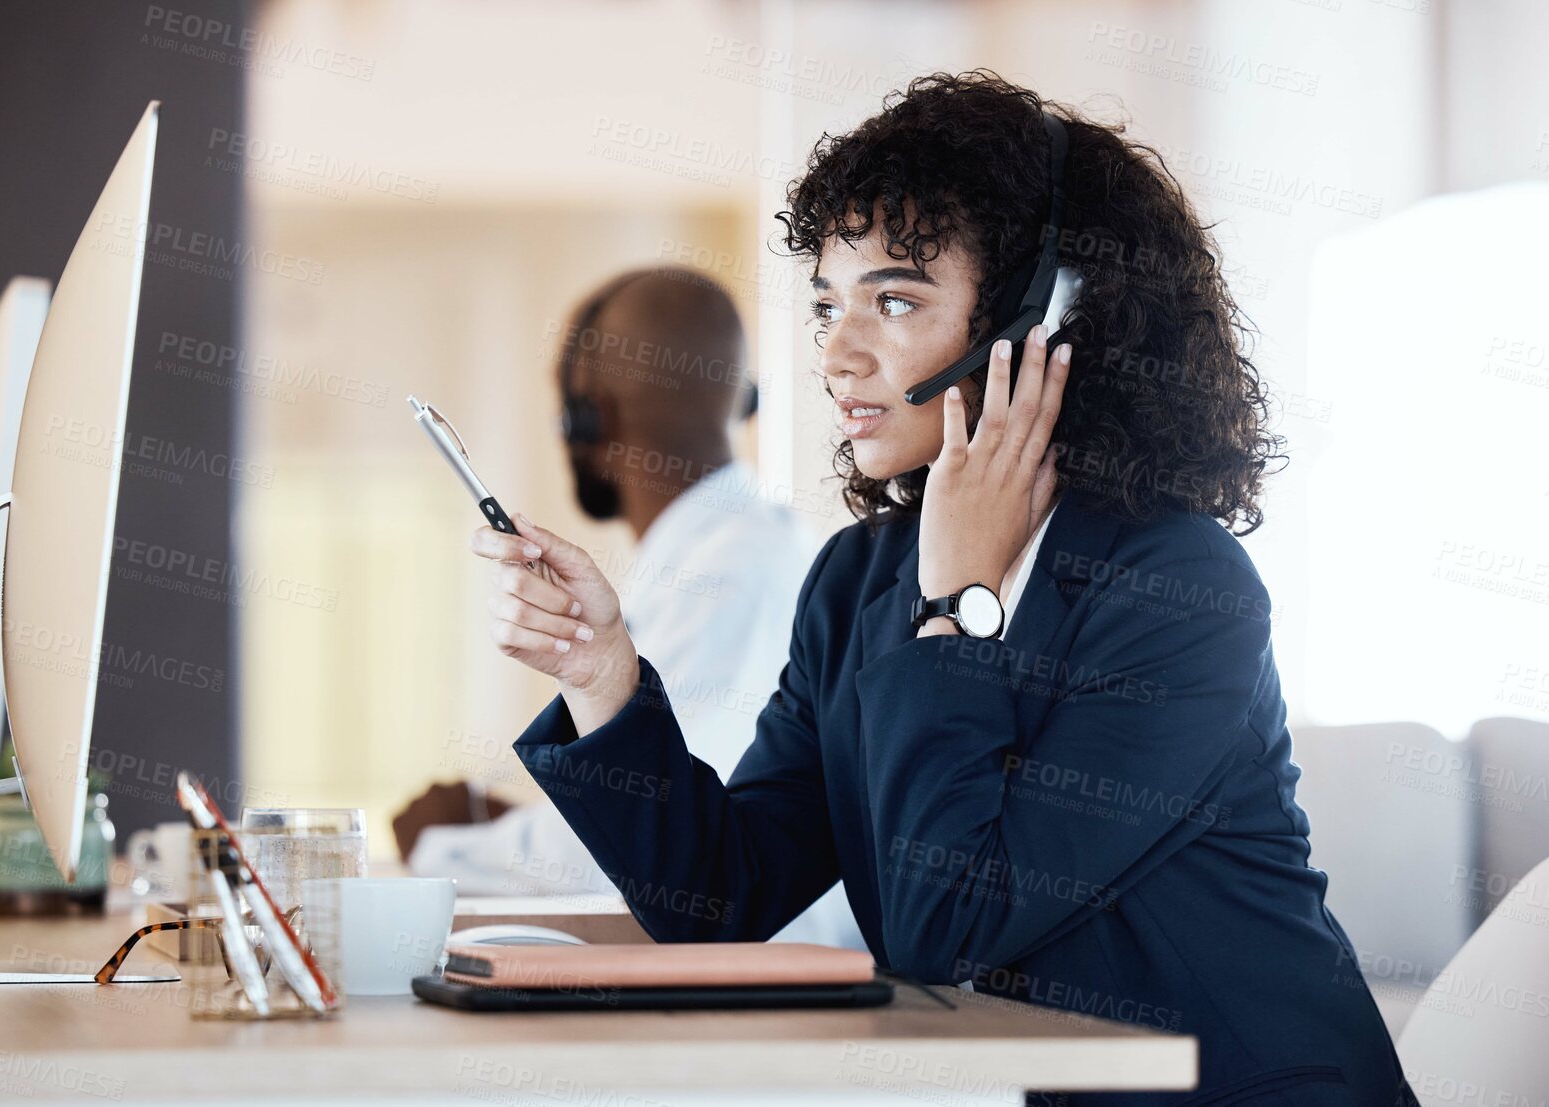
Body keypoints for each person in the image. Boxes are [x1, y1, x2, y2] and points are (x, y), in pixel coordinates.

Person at [468, 73, 1415, 1105]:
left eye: (895, 300)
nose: (837, 353)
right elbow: (718, 898)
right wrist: (606, 676)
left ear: (1040, 317)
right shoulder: (858, 581)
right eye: (829, 304)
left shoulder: (1180, 591)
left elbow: (946, 929)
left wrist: (954, 604)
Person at [402, 266, 862, 948]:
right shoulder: (733, 551)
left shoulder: (731, 570)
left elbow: (665, 842)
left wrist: (444, 846)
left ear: (589, 416)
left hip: (771, 1002)